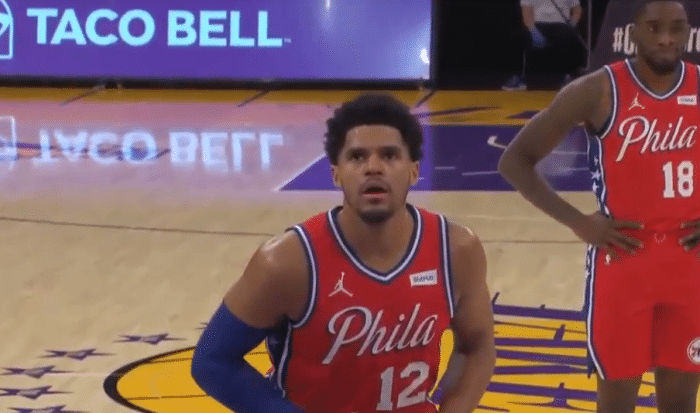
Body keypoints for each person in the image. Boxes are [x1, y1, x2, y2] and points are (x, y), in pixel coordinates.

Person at [191, 93, 496, 413]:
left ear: (414, 171)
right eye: (357, 157)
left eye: (390, 155)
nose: (373, 167)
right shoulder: (288, 262)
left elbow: (476, 348)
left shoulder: (456, 250)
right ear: (336, 173)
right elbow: (213, 360)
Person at [498, 0, 700, 412]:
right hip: (623, 263)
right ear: (633, 32)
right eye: (654, 27)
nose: (666, 38)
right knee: (616, 405)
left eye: (677, 28)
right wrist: (578, 222)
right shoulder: (596, 90)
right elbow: (515, 160)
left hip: (690, 267)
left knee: (681, 403)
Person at [502, 0, 587, 91]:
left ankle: (570, 76)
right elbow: (526, 10)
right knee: (523, 36)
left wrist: (572, 24)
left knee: (570, 38)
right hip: (538, 24)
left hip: (561, 24)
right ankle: (522, 78)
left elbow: (577, 9)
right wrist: (533, 30)